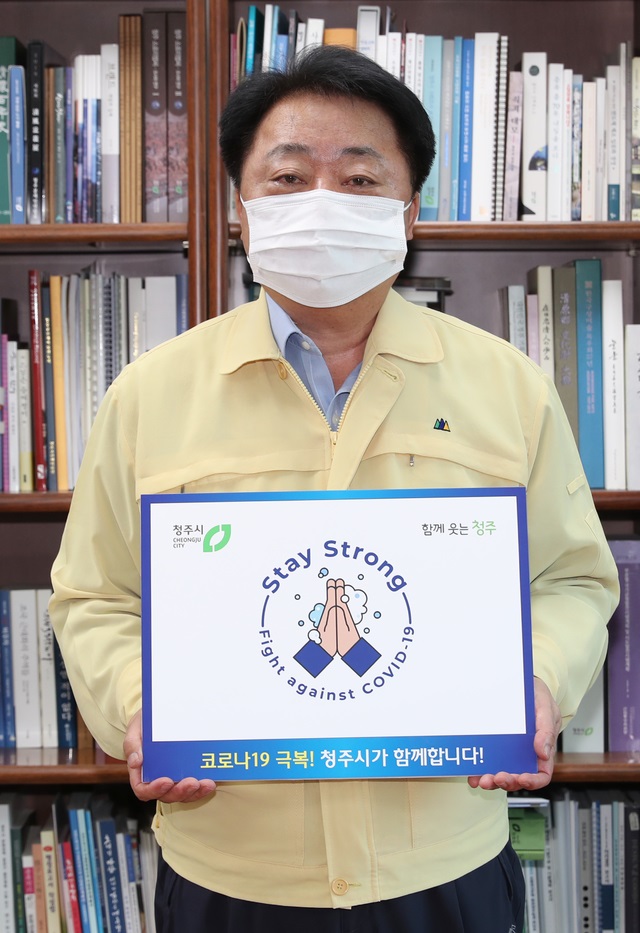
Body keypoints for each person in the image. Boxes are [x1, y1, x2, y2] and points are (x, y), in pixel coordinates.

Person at [49, 45, 619, 933]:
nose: (321, 202)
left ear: (409, 210)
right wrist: (141, 700)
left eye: (358, 178)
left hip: (442, 864)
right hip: (232, 868)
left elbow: (571, 579)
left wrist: (535, 683)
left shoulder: (507, 386)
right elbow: (95, 596)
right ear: (241, 211)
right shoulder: (150, 394)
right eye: (287, 177)